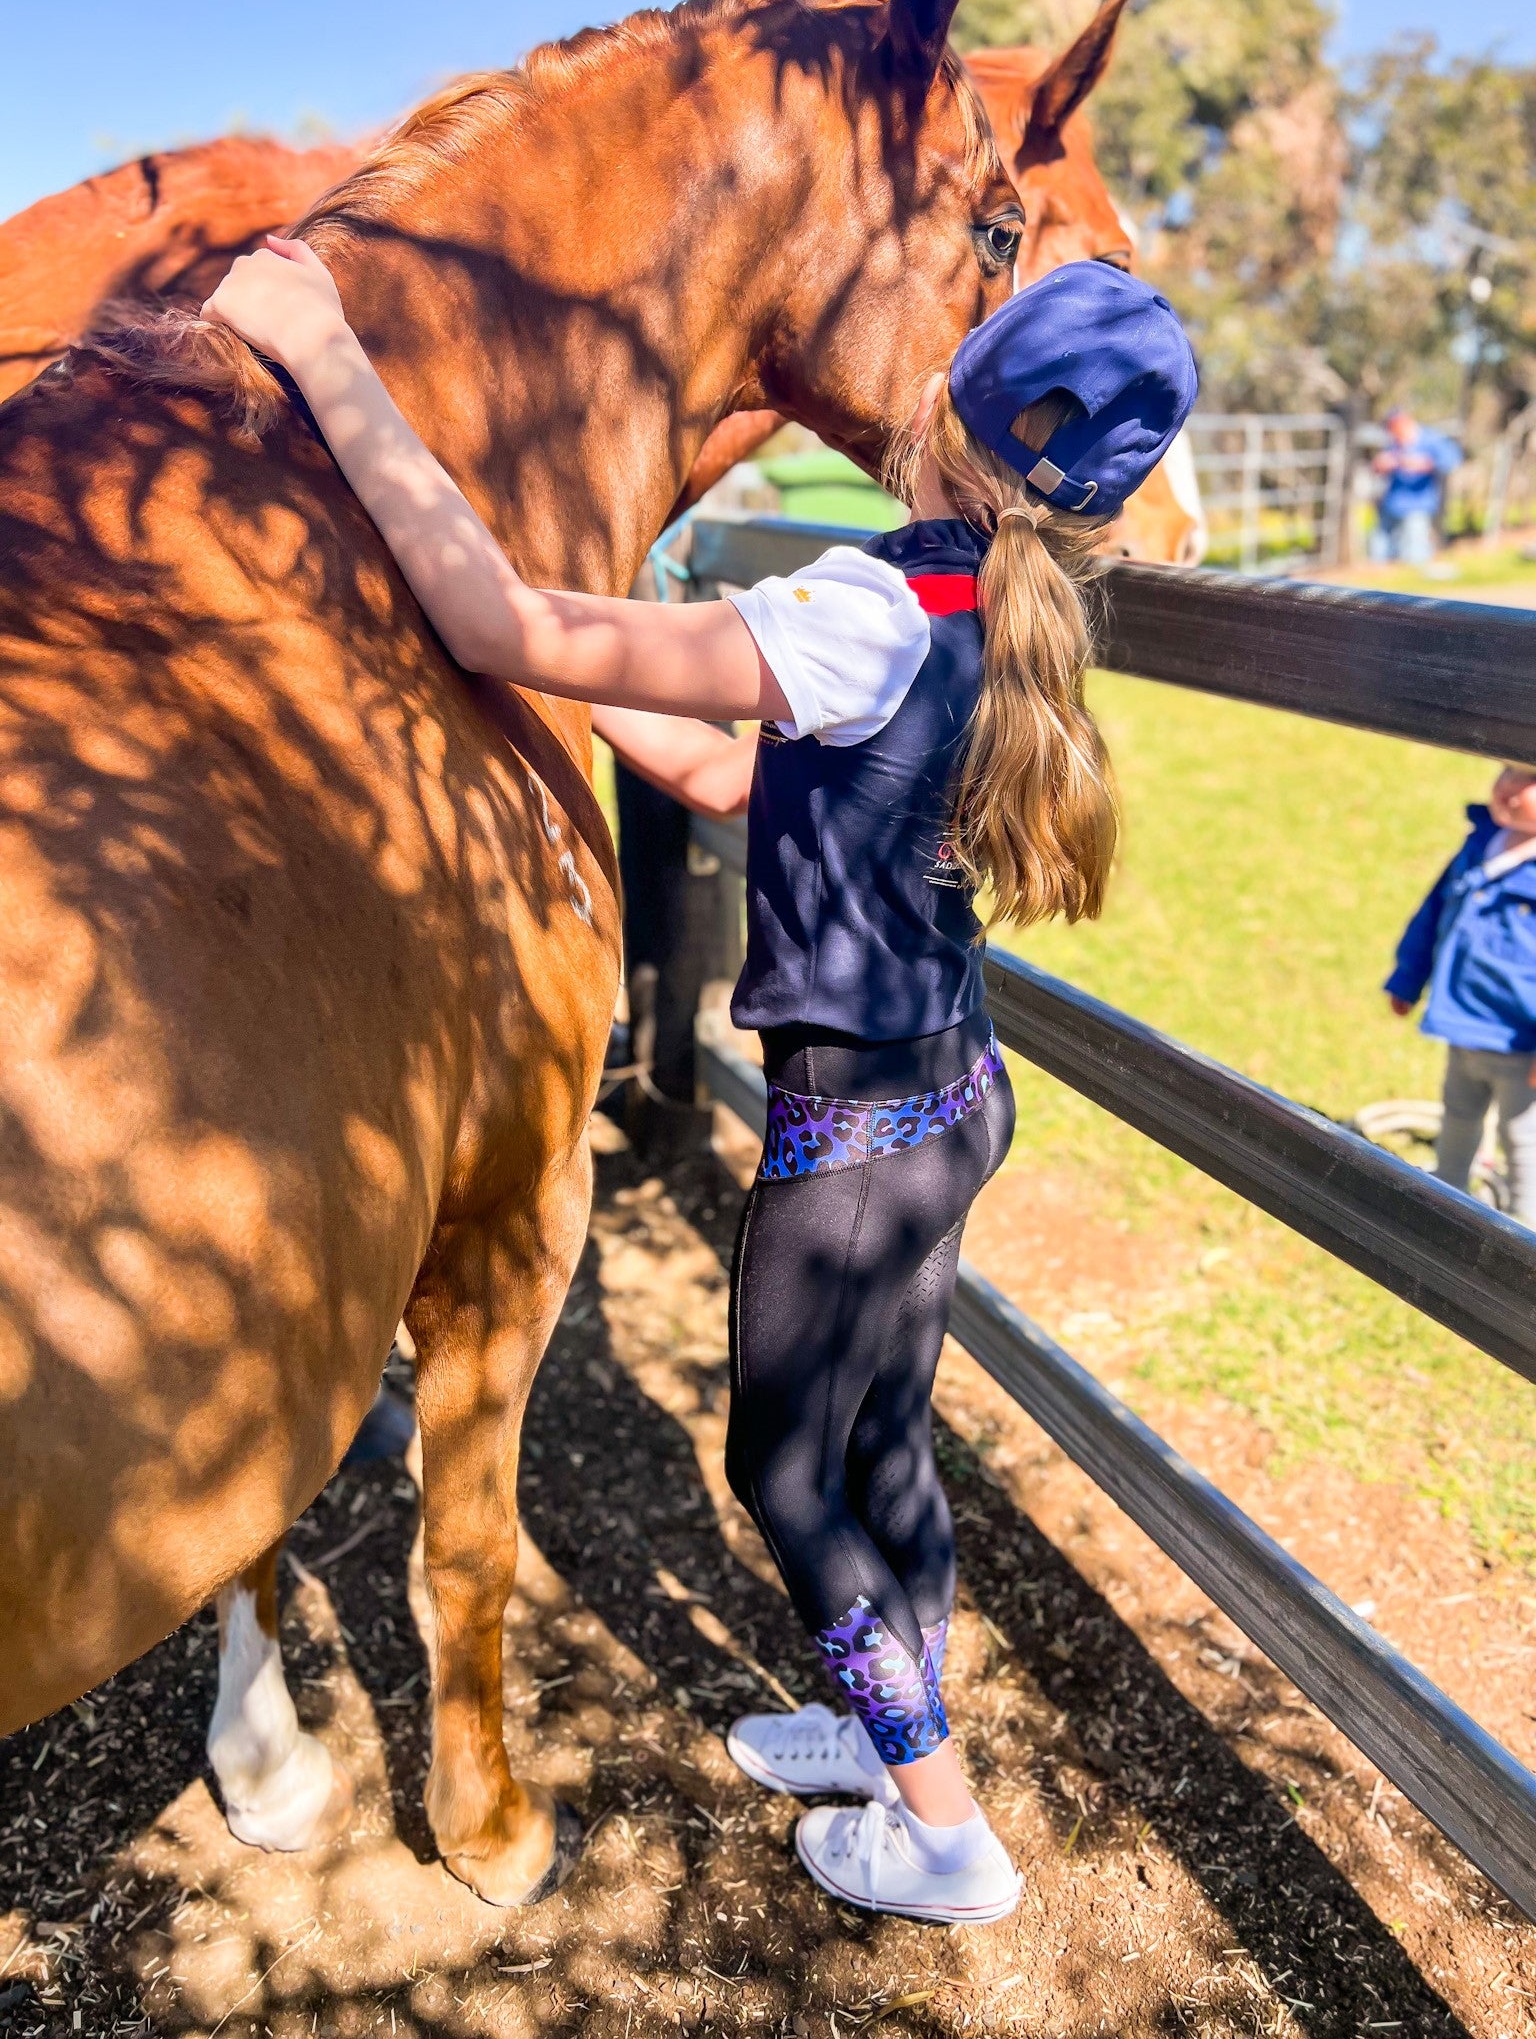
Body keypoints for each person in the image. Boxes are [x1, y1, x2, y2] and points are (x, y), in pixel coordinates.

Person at [202, 240, 1198, 1925]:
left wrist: (324, 352)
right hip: (953, 1095)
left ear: (945, 405)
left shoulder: (866, 603)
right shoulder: (986, 618)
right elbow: (757, 783)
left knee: (785, 1476)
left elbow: (495, 617)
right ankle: (882, 1733)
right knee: (883, 1446)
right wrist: (575, 686)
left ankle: (944, 1835)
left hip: (853, 1136)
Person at [1386, 766, 1536, 1224]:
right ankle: (1446, 1197)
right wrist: (1408, 978)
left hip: (1521, 1045)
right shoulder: (1481, 843)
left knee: (1522, 1138)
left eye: (1528, 778)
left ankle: (1522, 1228)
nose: (1507, 787)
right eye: (1506, 769)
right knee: (1459, 1113)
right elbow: (1434, 911)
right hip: (1463, 1023)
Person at [1369, 407, 1462, 566]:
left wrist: (1423, 464)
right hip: (1391, 505)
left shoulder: (1431, 439)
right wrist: (1381, 464)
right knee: (1380, 550)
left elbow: (1452, 461)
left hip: (1418, 506)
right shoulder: (1394, 444)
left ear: (1406, 423)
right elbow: (1378, 467)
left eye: (1395, 428)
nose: (1394, 434)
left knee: (1414, 553)